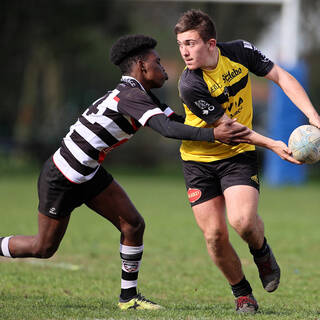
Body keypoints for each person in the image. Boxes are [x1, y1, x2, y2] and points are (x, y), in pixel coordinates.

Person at [0, 34, 250, 311]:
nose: (164, 68)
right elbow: (166, 130)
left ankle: (128, 298)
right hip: (62, 175)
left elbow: (176, 121)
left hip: (89, 173)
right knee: (43, 248)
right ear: (142, 67)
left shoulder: (141, 95)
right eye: (158, 62)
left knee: (133, 225)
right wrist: (214, 134)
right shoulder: (131, 96)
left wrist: (218, 118)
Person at [174, 9, 320, 314]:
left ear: (210, 43)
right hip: (198, 161)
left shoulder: (240, 52)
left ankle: (261, 252)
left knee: (242, 222)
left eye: (190, 43)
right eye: (181, 45)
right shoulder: (190, 84)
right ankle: (242, 293)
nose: (185, 51)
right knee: (214, 236)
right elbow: (229, 129)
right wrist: (272, 144)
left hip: (237, 157)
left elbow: (281, 76)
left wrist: (313, 115)